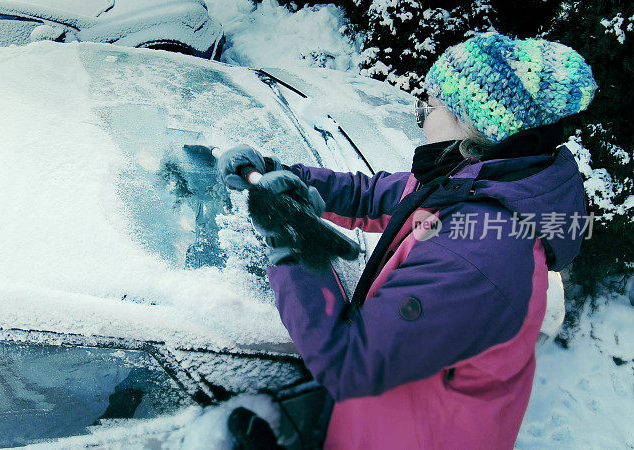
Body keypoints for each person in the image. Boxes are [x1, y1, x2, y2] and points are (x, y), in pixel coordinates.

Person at [218, 32, 596, 449]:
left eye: (429, 105)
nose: (419, 116)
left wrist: (293, 248)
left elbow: (350, 363)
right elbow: (376, 196)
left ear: (471, 123)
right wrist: (284, 175)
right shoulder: (474, 177)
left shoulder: (478, 254)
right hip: (387, 417)